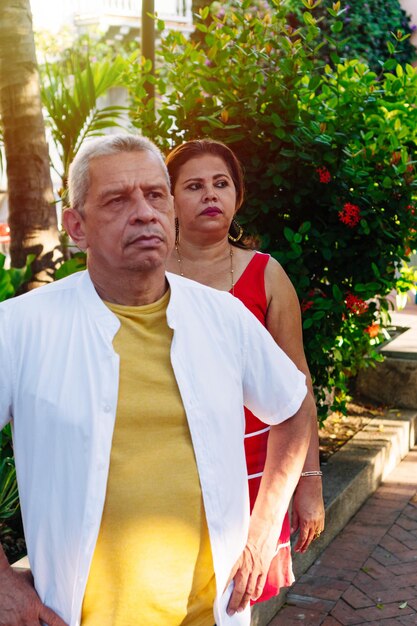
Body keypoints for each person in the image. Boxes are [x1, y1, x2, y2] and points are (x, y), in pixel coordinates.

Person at [0, 134, 314, 626]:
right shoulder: (19, 327)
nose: (144, 212)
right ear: (76, 227)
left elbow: (292, 408)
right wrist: (4, 588)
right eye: (117, 199)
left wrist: (264, 527)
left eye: (155, 195)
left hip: (212, 612)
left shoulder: (223, 317)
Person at [165, 138, 325, 602]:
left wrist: (308, 485)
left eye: (222, 184)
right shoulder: (150, 273)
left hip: (257, 462)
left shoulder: (266, 274)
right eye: (194, 186)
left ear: (238, 196)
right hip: (172, 454)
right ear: (170, 199)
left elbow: (299, 387)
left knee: (236, 592)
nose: (211, 194)